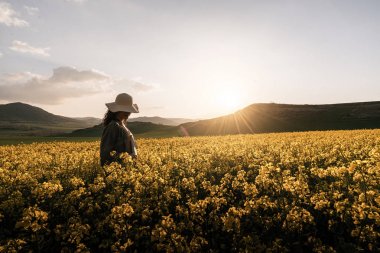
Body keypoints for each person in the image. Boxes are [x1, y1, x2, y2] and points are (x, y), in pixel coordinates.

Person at [100, 93, 139, 166]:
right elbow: (105, 152)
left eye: (128, 110)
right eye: (124, 110)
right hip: (117, 169)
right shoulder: (113, 126)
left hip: (126, 169)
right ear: (117, 110)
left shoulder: (122, 124)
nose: (128, 113)